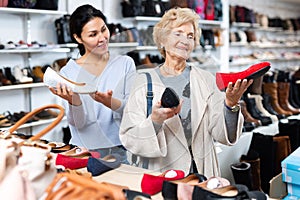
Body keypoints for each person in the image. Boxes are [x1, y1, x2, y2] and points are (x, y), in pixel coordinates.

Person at [119, 7, 253, 177]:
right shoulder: (143, 83)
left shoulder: (206, 79)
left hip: (202, 172)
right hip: (164, 174)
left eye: (190, 36)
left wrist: (230, 105)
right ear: (162, 40)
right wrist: (155, 121)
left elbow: (222, 134)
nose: (186, 40)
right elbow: (129, 137)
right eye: (178, 33)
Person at [48, 4, 136, 163]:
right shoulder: (69, 72)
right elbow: (79, 125)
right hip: (83, 152)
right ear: (78, 38)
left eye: (104, 29)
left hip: (120, 150)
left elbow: (133, 112)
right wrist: (74, 102)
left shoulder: (125, 63)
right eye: (93, 34)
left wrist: (111, 103)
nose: (102, 38)